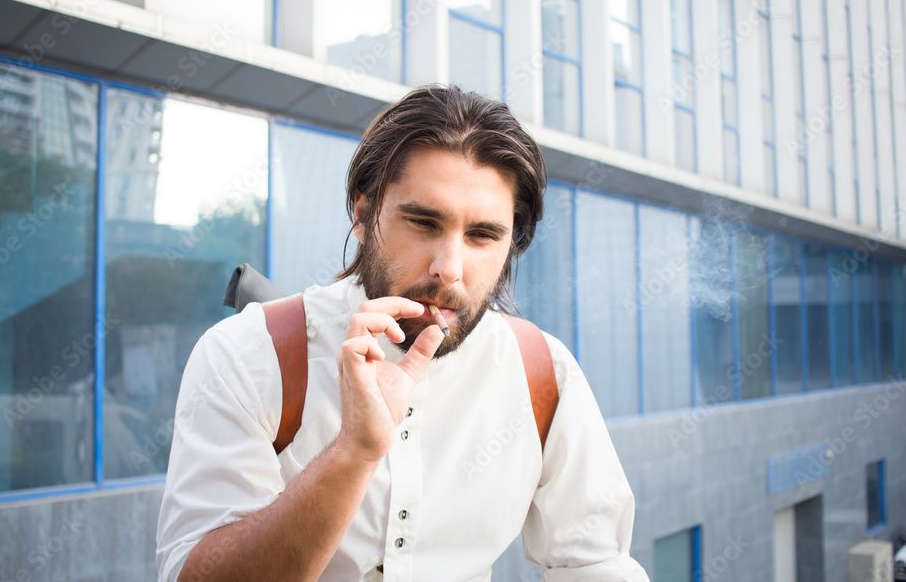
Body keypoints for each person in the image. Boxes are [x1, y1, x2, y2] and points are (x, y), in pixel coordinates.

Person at [156, 85, 649, 581]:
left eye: (482, 235)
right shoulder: (247, 354)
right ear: (364, 213)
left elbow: (596, 562)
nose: (449, 269)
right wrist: (353, 450)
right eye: (423, 222)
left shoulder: (543, 371)